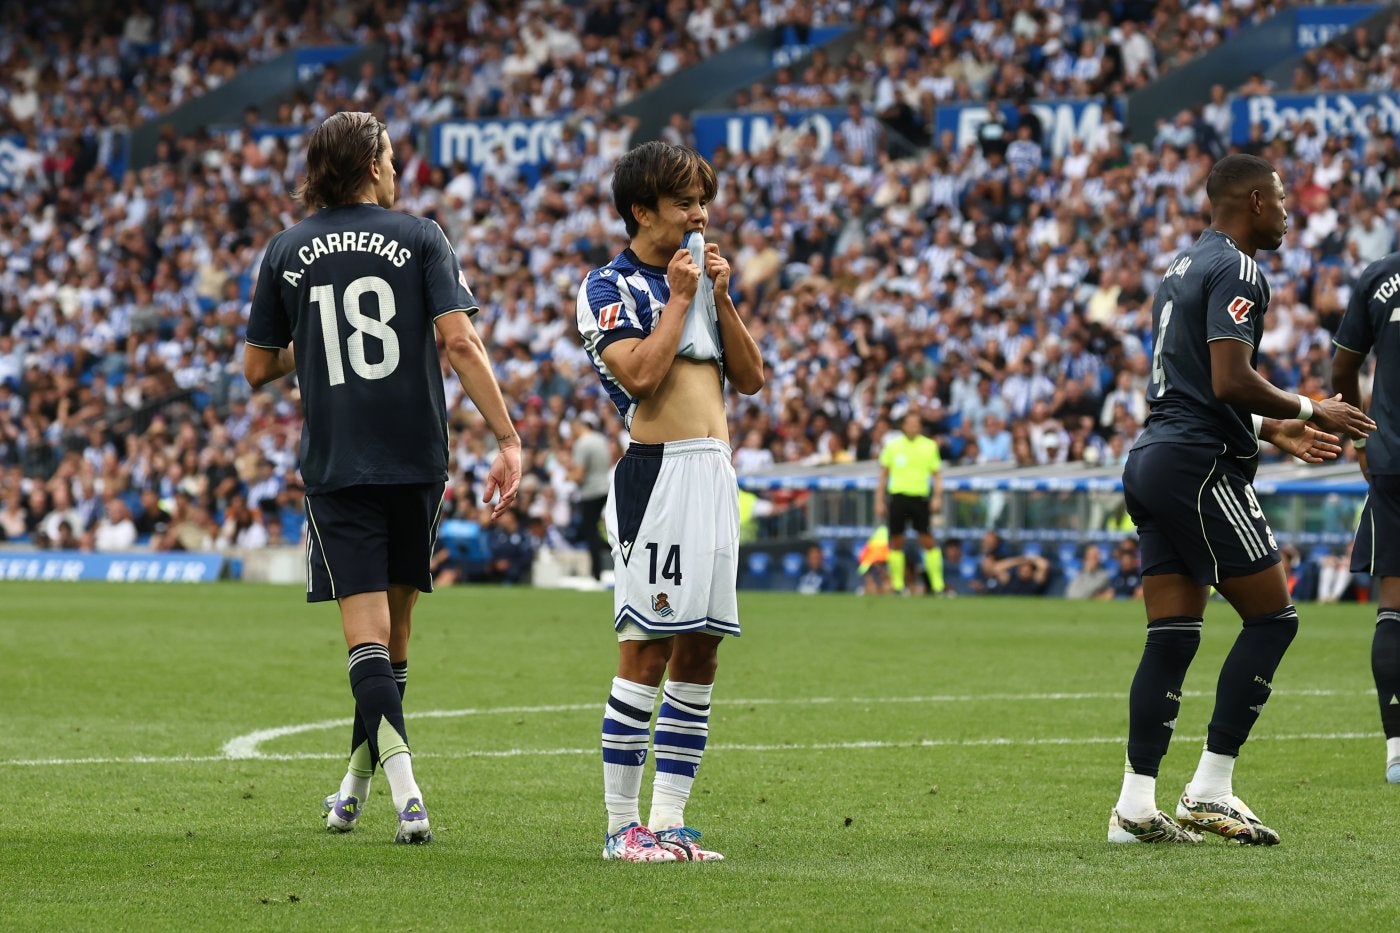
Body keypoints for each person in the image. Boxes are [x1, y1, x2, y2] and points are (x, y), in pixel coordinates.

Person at [243, 111, 522, 845]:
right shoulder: (422, 236)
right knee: (394, 640)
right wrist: (506, 436)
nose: (398, 168)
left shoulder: (285, 250)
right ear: (372, 165)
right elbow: (458, 339)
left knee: (365, 641)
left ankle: (392, 789)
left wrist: (311, 336)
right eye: (392, 157)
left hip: (339, 462)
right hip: (416, 457)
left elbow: (256, 368)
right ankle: (378, 786)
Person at [1107, 153, 1375, 846]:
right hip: (1200, 466)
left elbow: (1193, 382)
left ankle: (1135, 806)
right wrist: (1313, 408)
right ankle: (1210, 789)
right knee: (1274, 618)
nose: (1289, 212)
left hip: (1152, 456)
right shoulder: (1240, 269)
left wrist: (1275, 426)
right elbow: (1229, 378)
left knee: (1172, 634)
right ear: (1254, 201)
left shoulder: (1180, 267)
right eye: (1283, 200)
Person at [576, 140, 763, 863]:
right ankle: (623, 826)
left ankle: (671, 819)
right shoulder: (608, 287)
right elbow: (643, 377)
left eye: (703, 201)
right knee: (645, 650)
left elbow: (749, 378)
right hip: (659, 475)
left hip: (715, 471)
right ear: (641, 210)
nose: (700, 214)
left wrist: (719, 297)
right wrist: (683, 297)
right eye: (684, 203)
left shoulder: (704, 278)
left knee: (701, 652)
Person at [1330, 247, 1400, 784]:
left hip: (1392, 463)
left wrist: (1359, 439)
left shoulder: (1379, 276)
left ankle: (1398, 748)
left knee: (1393, 609)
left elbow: (1342, 368)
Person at [874, 411, 945, 595]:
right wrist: (879, 500)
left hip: (920, 497)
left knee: (927, 540)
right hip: (898, 497)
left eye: (917, 423)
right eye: (910, 423)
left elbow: (936, 474)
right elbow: (883, 475)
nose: (913, 426)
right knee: (896, 540)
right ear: (903, 426)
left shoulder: (929, 446)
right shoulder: (892, 446)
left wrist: (937, 496)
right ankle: (898, 585)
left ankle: (937, 585)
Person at [570, 412, 611, 580]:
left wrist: (568, 476)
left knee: (591, 532)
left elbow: (579, 475)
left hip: (591, 492)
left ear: (578, 427)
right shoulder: (601, 439)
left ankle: (596, 573)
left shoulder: (582, 444)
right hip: (606, 487)